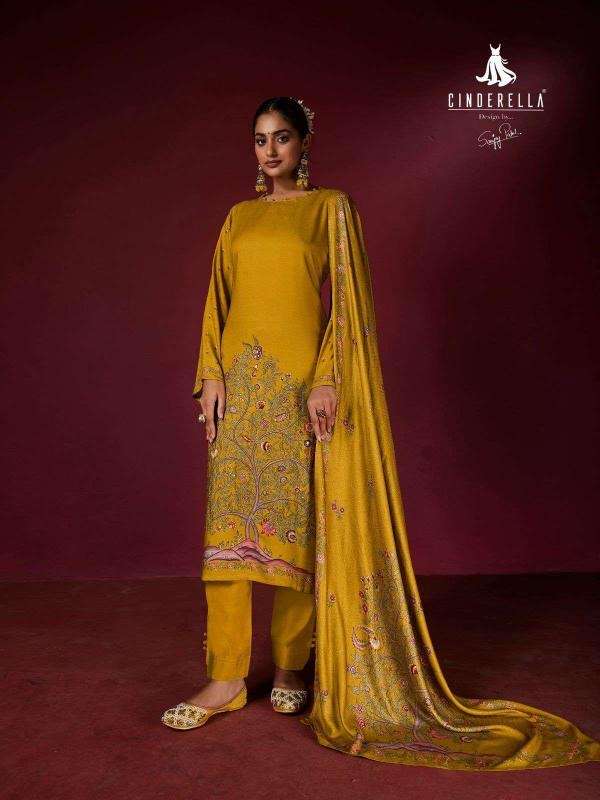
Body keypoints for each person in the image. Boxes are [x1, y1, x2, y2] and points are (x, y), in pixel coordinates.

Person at [161, 96, 600, 771]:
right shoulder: (238, 217)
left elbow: (349, 304)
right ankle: (225, 679)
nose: (270, 151)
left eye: (282, 138)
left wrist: (328, 379)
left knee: (296, 532)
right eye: (259, 140)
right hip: (242, 391)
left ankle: (291, 667)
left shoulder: (330, 209)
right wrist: (211, 376)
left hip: (299, 388)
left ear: (304, 143)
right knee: (228, 539)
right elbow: (214, 303)